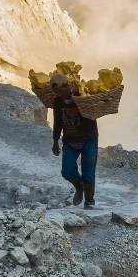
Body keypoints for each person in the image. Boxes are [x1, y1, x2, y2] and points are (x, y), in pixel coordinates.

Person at [50, 72, 98, 208]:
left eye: (59, 91)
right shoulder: (57, 101)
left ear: (66, 86)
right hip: (70, 140)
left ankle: (89, 201)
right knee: (67, 171)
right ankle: (79, 187)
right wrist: (55, 140)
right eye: (55, 92)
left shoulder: (82, 97)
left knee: (88, 173)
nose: (58, 94)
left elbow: (93, 113)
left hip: (89, 138)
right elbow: (58, 121)